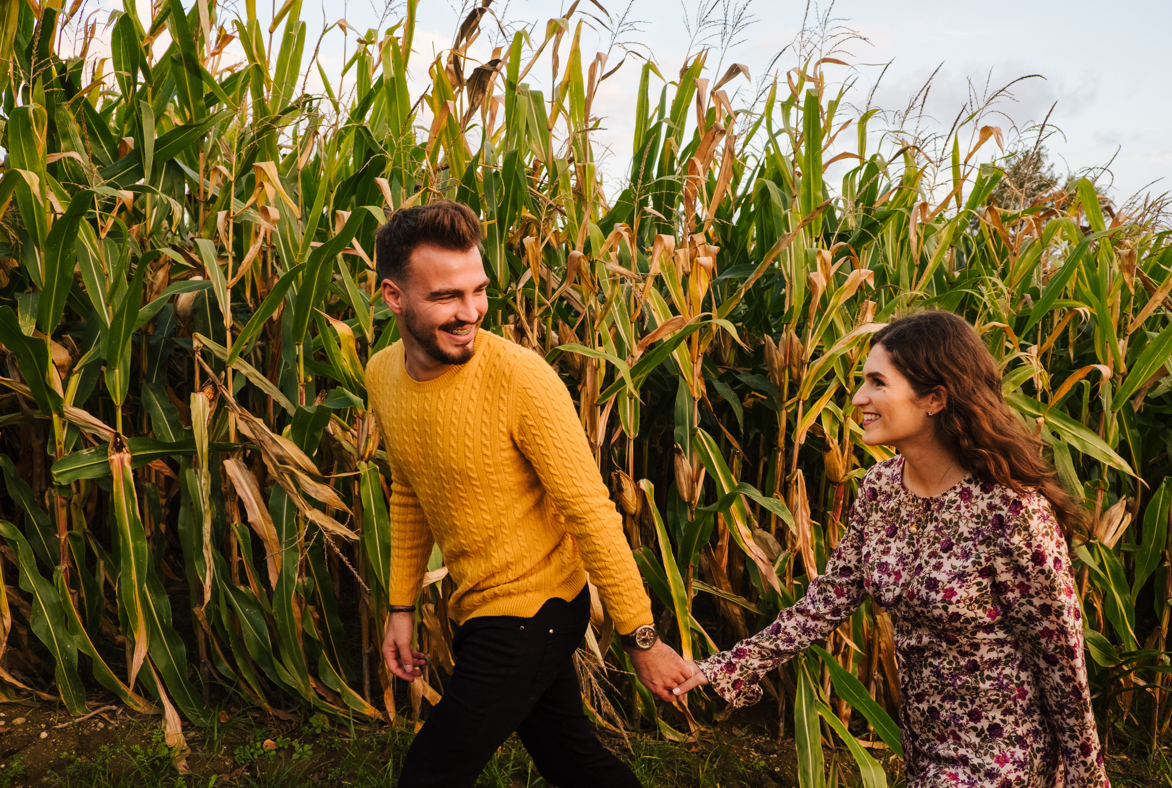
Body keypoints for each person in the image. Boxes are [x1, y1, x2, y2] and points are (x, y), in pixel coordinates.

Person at [673, 310, 1110, 788]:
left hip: (1004, 750)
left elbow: (1059, 654)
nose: (858, 398)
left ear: (935, 398)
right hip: (925, 744)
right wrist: (728, 666)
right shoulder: (880, 487)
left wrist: (1086, 777)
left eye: (877, 383)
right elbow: (830, 597)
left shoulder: (1011, 509)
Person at [365, 201, 690, 788]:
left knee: (429, 774)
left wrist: (641, 639)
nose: (470, 312)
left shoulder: (520, 378)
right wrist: (401, 608)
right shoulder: (381, 374)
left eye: (478, 291)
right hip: (480, 604)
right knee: (571, 761)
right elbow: (410, 488)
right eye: (446, 297)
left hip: (533, 611)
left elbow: (590, 513)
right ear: (394, 296)